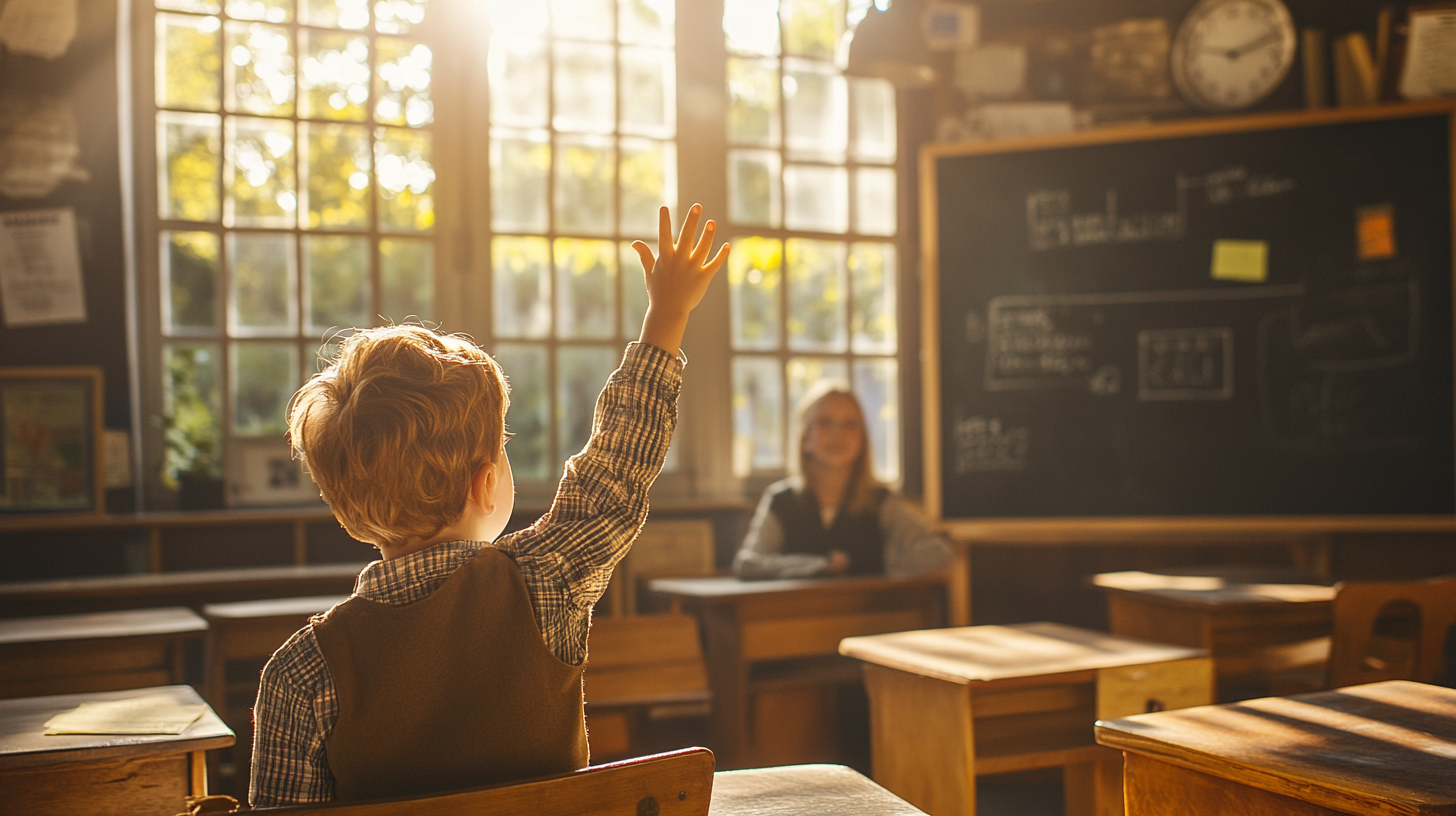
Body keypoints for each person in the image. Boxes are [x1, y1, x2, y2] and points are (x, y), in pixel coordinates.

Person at [249, 205, 729, 807]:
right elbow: (617, 469)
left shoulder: (298, 674)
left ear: (345, 510)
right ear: (486, 484)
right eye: (501, 449)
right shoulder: (544, 582)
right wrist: (668, 315)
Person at [732, 383, 950, 580]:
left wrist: (873, 564)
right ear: (805, 438)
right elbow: (747, 564)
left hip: (871, 615)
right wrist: (818, 565)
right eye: (825, 423)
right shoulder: (781, 499)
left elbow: (938, 554)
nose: (837, 434)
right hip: (793, 618)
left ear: (862, 439)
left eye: (850, 424)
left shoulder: (881, 501)